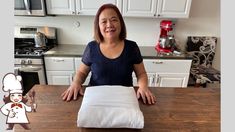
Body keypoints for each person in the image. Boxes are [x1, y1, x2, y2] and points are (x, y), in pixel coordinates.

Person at [61, 4, 156, 105]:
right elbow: (81, 72)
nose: (109, 25)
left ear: (121, 23)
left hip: (124, 99)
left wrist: (143, 87)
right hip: (96, 98)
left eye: (114, 19)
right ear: (98, 26)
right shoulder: (91, 47)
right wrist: (76, 83)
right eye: (104, 21)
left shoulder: (132, 47)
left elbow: (141, 74)